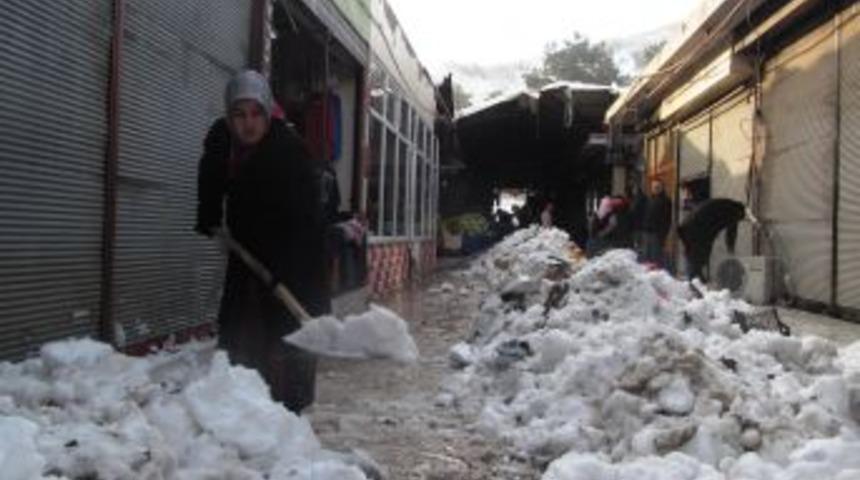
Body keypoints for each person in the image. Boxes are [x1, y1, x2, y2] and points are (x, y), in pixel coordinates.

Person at [195, 70, 329, 414]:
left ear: (268, 113)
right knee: (238, 328)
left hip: (295, 255)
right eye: (239, 115)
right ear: (228, 116)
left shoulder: (290, 153)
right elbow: (210, 177)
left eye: (256, 114)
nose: (248, 124)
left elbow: (307, 222)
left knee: (288, 332)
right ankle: (238, 406)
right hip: (247, 251)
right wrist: (209, 215)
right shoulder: (221, 140)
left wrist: (284, 272)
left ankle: (290, 413)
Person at [677, 198, 747, 282]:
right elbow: (731, 232)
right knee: (696, 257)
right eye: (740, 218)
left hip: (689, 227)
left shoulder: (725, 205)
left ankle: (696, 280)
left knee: (696, 256)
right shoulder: (733, 212)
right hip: (695, 231)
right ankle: (694, 282)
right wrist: (731, 249)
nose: (738, 220)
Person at [641, 180, 673, 267]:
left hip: (657, 233)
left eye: (658, 187)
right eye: (654, 187)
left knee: (655, 256)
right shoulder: (649, 200)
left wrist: (663, 235)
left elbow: (667, 219)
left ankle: (656, 274)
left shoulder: (666, 201)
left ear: (662, 188)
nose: (656, 189)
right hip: (646, 231)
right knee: (646, 255)